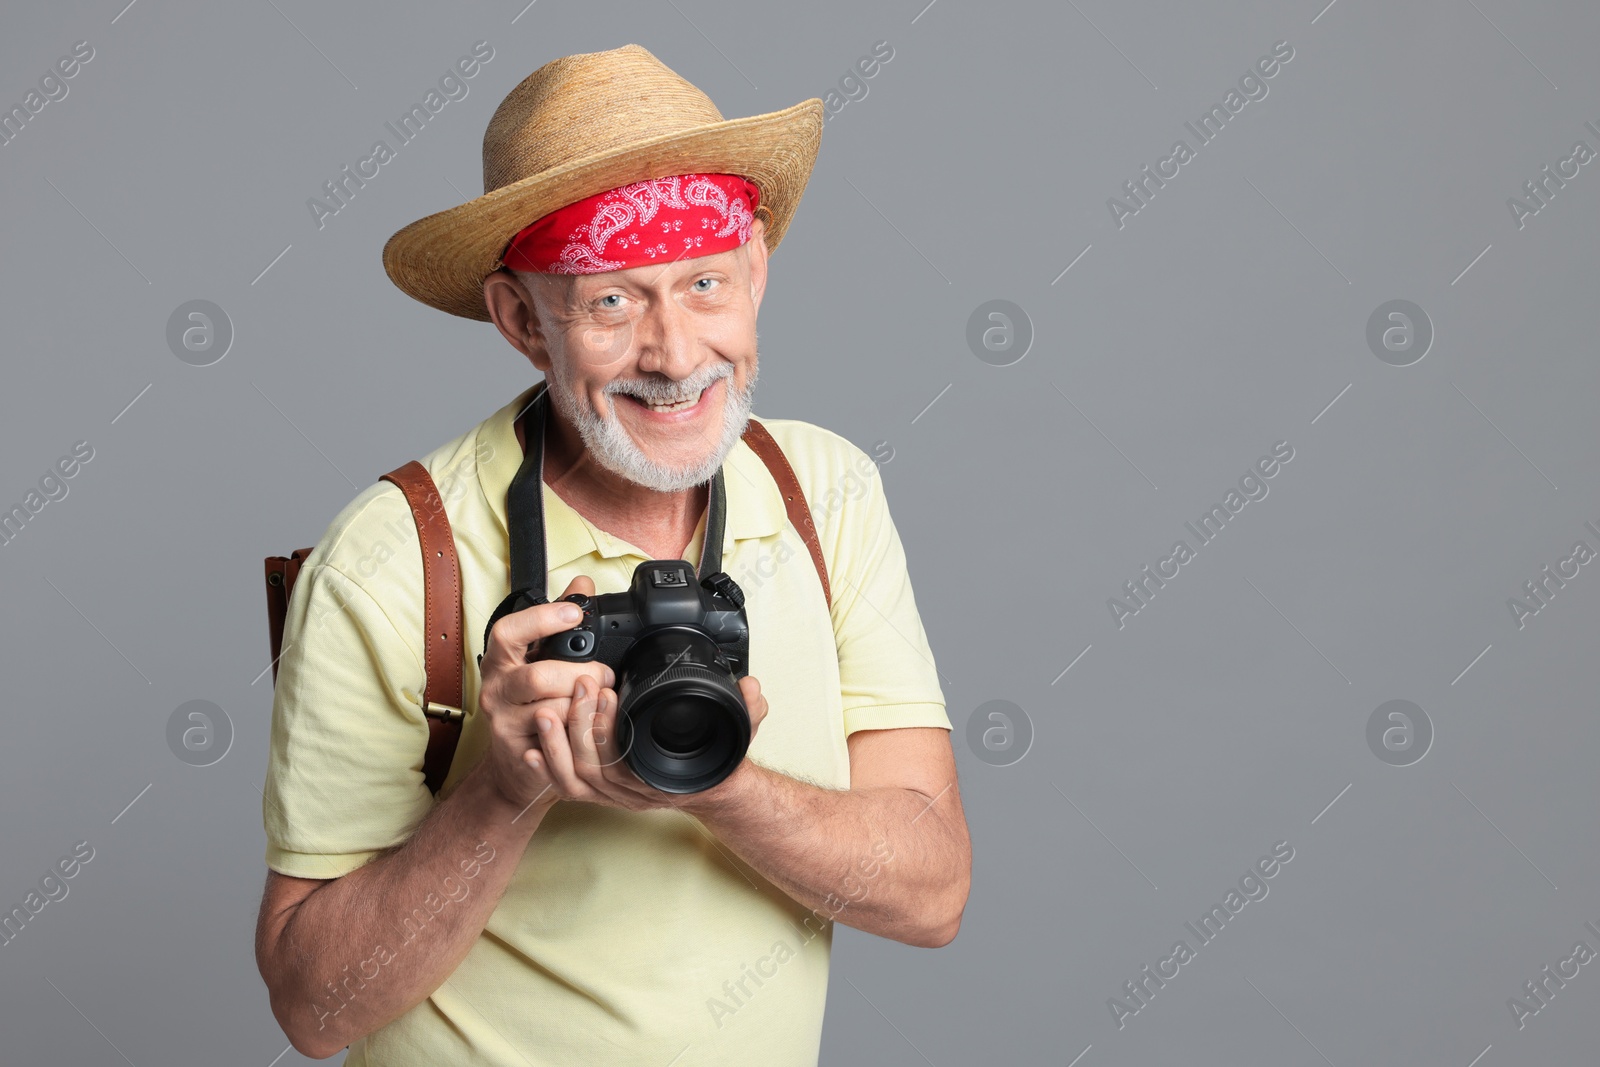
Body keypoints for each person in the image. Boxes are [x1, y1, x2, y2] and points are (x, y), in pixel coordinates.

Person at [253, 43, 971, 1066]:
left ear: (756, 270)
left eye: (705, 282)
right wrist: (503, 787)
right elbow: (314, 1010)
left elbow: (932, 891)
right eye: (612, 301)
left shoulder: (827, 493)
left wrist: (710, 773)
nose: (676, 355)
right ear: (521, 320)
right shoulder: (392, 556)